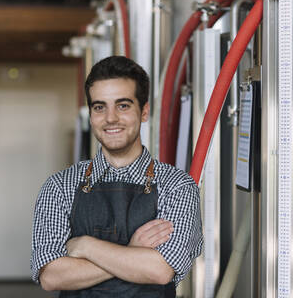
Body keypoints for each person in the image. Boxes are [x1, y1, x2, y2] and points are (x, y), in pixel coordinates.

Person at [31, 56, 203, 297]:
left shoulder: (177, 186)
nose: (110, 118)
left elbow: (160, 270)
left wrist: (85, 246)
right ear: (91, 115)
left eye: (123, 105)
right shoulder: (59, 186)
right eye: (99, 107)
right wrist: (132, 251)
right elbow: (51, 275)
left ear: (144, 112)